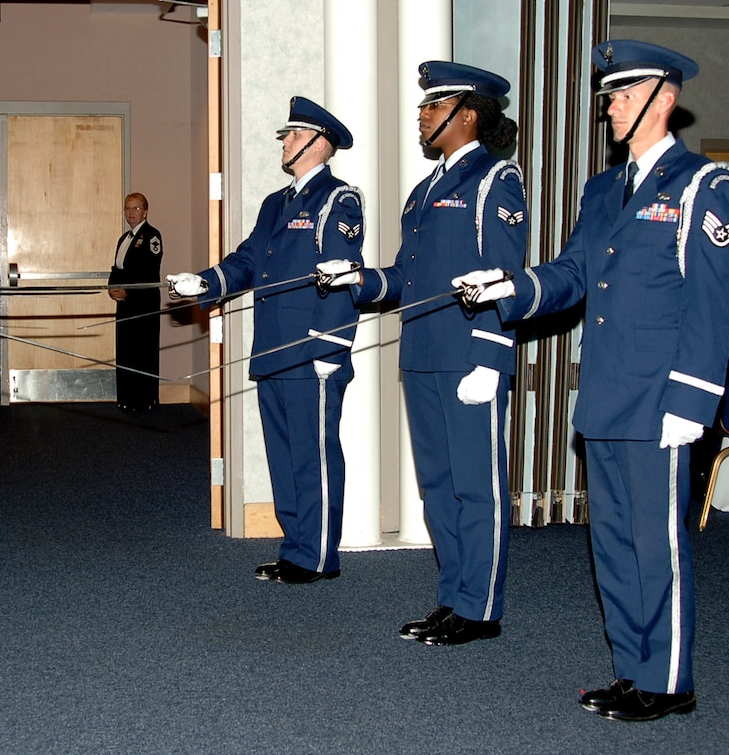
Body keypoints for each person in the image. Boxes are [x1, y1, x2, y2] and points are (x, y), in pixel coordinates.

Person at [454, 40, 729, 721]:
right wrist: (511, 286)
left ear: (663, 100)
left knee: (657, 543)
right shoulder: (604, 189)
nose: (608, 105)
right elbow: (574, 272)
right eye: (609, 95)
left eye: (622, 94)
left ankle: (670, 680)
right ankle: (631, 668)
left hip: (661, 398)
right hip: (606, 394)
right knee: (610, 542)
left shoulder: (702, 184)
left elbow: (711, 301)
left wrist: (693, 400)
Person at [317, 63, 528, 645]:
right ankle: (454, 597)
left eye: (435, 106)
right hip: (424, 353)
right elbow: (408, 279)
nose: (423, 114)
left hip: (469, 358)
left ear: (468, 114)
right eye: (424, 106)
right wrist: (354, 280)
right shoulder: (426, 190)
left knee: (475, 486)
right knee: (437, 486)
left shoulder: (495, 181)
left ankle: (481, 609)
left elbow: (505, 275)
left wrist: (492, 358)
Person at [167, 96, 364, 584]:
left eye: (294, 135)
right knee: (283, 453)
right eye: (286, 135)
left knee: (313, 454)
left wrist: (331, 347)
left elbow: (342, 278)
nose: (285, 141)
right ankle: (296, 548)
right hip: (273, 348)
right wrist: (205, 283)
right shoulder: (276, 203)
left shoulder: (338, 200)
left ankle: (319, 556)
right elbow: (248, 260)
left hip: (313, 348)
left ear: (320, 143)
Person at [109, 192, 163, 411]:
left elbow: (147, 271)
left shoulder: (152, 236)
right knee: (126, 351)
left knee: (143, 352)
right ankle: (126, 398)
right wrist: (112, 288)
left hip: (143, 304)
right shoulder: (124, 239)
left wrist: (127, 291)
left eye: (136, 208)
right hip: (124, 304)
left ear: (146, 212)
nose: (131, 213)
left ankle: (144, 401)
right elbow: (116, 269)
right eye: (128, 208)